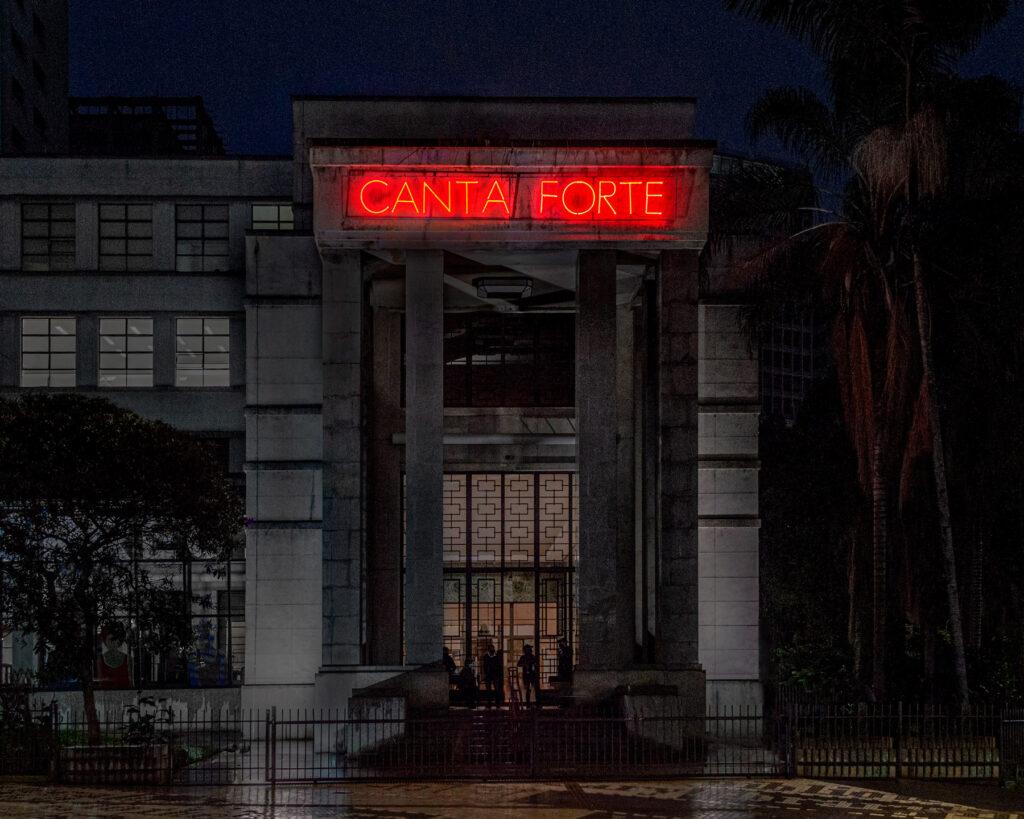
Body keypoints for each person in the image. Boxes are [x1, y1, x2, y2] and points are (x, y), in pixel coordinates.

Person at [481, 642, 503, 708]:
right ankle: (490, 703)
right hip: (489, 675)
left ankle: (497, 703)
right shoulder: (486, 657)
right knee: (489, 690)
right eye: (491, 648)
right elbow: (484, 666)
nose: (492, 650)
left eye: (493, 648)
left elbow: (499, 666)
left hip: (495, 675)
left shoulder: (495, 657)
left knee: (496, 689)